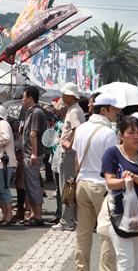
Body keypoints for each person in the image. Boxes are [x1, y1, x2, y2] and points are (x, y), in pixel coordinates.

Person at [102, 117, 138, 271]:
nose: (136, 137)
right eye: (131, 132)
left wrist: (134, 177)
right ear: (120, 135)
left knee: (135, 263)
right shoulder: (112, 152)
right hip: (117, 214)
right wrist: (124, 181)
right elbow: (110, 182)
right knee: (125, 261)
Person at [73, 94, 122, 271]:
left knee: (83, 233)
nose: (117, 113)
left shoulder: (81, 128)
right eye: (114, 109)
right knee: (107, 234)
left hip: (82, 183)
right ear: (104, 110)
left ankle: (81, 268)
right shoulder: (108, 132)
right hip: (101, 186)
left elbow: (77, 160)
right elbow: (112, 163)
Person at [53, 82, 85, 231]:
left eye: (64, 93)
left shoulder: (74, 111)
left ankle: (67, 221)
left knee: (66, 188)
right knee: (67, 187)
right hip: (69, 153)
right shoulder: (74, 109)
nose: (62, 96)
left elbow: (78, 129)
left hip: (69, 154)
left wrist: (70, 145)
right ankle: (69, 220)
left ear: (71, 96)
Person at [20, 85, 48, 226]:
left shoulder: (36, 112)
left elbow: (33, 133)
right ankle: (34, 213)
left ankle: (38, 216)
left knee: (34, 185)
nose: (22, 99)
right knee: (30, 185)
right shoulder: (31, 111)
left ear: (31, 98)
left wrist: (34, 154)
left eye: (24, 97)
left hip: (32, 154)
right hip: (29, 153)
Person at [48, 98, 69, 224]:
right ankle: (58, 212)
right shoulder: (59, 120)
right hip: (55, 155)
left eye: (55, 107)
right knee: (58, 186)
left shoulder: (65, 121)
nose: (53, 109)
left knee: (62, 186)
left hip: (61, 155)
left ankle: (62, 213)